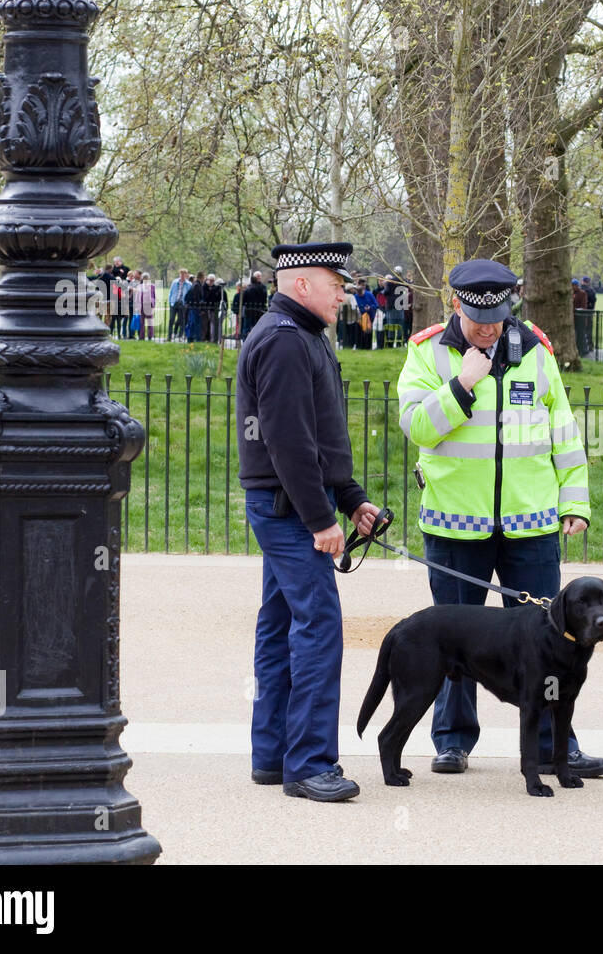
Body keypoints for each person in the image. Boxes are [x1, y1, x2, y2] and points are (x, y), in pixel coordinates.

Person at [395, 257, 603, 780]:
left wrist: (574, 501)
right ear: (455, 304)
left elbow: (564, 431)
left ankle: (553, 744)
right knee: (455, 639)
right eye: (476, 316)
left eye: (497, 314)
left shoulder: (536, 349)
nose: (488, 326)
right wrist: (462, 386)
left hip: (530, 522)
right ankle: (451, 740)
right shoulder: (426, 352)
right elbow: (417, 427)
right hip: (454, 523)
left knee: (553, 641)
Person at [236, 241, 380, 803]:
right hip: (289, 507)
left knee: (279, 626)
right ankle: (309, 764)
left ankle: (274, 756)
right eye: (335, 284)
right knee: (318, 627)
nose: (344, 295)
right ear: (301, 284)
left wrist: (350, 499)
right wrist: (323, 518)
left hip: (291, 502)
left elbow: (318, 435)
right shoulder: (285, 341)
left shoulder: (300, 337)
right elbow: (288, 443)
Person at [169, 268, 193, 340]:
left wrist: (186, 303)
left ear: (186, 275)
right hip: (174, 302)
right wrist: (170, 301)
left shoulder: (189, 284)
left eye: (184, 274)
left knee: (181, 320)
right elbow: (171, 292)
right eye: (181, 274)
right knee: (171, 320)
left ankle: (180, 336)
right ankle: (169, 336)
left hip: (182, 303)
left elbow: (189, 295)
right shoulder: (174, 282)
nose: (182, 275)